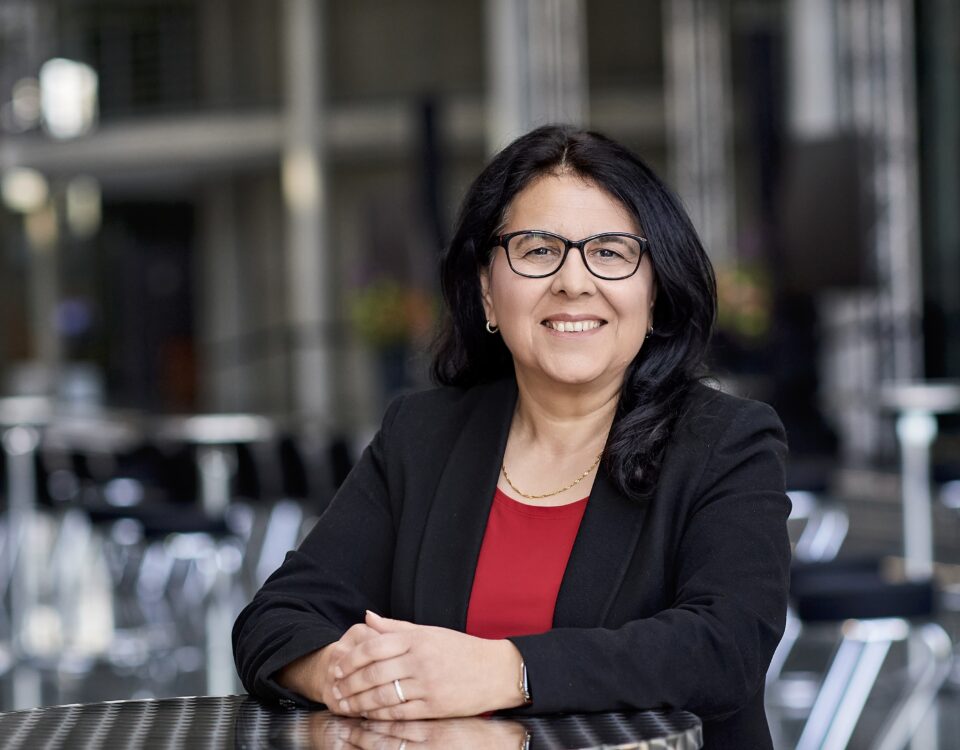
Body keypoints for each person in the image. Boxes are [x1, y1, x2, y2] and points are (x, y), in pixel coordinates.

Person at [233, 125, 791, 749]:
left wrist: (506, 671)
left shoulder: (727, 442)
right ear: (486, 292)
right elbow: (275, 619)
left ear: (655, 291)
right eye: (536, 249)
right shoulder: (422, 436)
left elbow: (725, 648)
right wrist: (341, 674)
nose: (574, 282)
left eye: (609, 252)